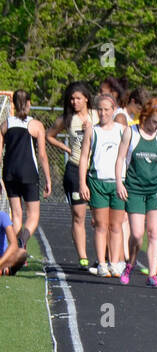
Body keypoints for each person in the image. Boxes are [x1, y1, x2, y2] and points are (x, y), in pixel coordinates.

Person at [115, 94, 157, 287]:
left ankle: (152, 274)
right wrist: (119, 182)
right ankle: (130, 264)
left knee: (154, 233)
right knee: (137, 234)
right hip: (134, 188)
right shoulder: (130, 133)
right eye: (154, 121)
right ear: (146, 116)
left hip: (156, 189)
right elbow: (120, 160)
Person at [46, 82, 98, 267]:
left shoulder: (97, 115)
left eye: (78, 98)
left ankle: (104, 256)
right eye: (72, 99)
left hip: (96, 171)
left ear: (86, 98)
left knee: (99, 217)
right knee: (78, 215)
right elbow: (48, 135)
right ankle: (83, 257)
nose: (74, 102)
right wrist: (65, 148)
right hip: (75, 170)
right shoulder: (67, 119)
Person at [78, 92, 127, 276]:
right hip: (97, 182)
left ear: (114, 110)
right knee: (100, 225)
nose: (103, 113)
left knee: (116, 225)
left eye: (106, 109)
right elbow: (84, 158)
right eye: (100, 109)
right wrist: (82, 183)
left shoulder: (122, 129)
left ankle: (115, 263)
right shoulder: (92, 130)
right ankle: (102, 263)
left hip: (118, 183)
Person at [0, 90, 52, 247]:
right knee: (33, 216)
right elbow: (42, 155)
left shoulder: (5, 124)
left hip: (9, 173)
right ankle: (21, 242)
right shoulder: (36, 125)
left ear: (13, 104)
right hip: (28, 173)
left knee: (16, 215)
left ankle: (14, 251)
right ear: (29, 103)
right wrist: (48, 180)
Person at [0, 209, 28, 275]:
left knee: (22, 253)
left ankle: (5, 269)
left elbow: (14, 245)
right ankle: (4, 270)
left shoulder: (3, 216)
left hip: (3, 258)